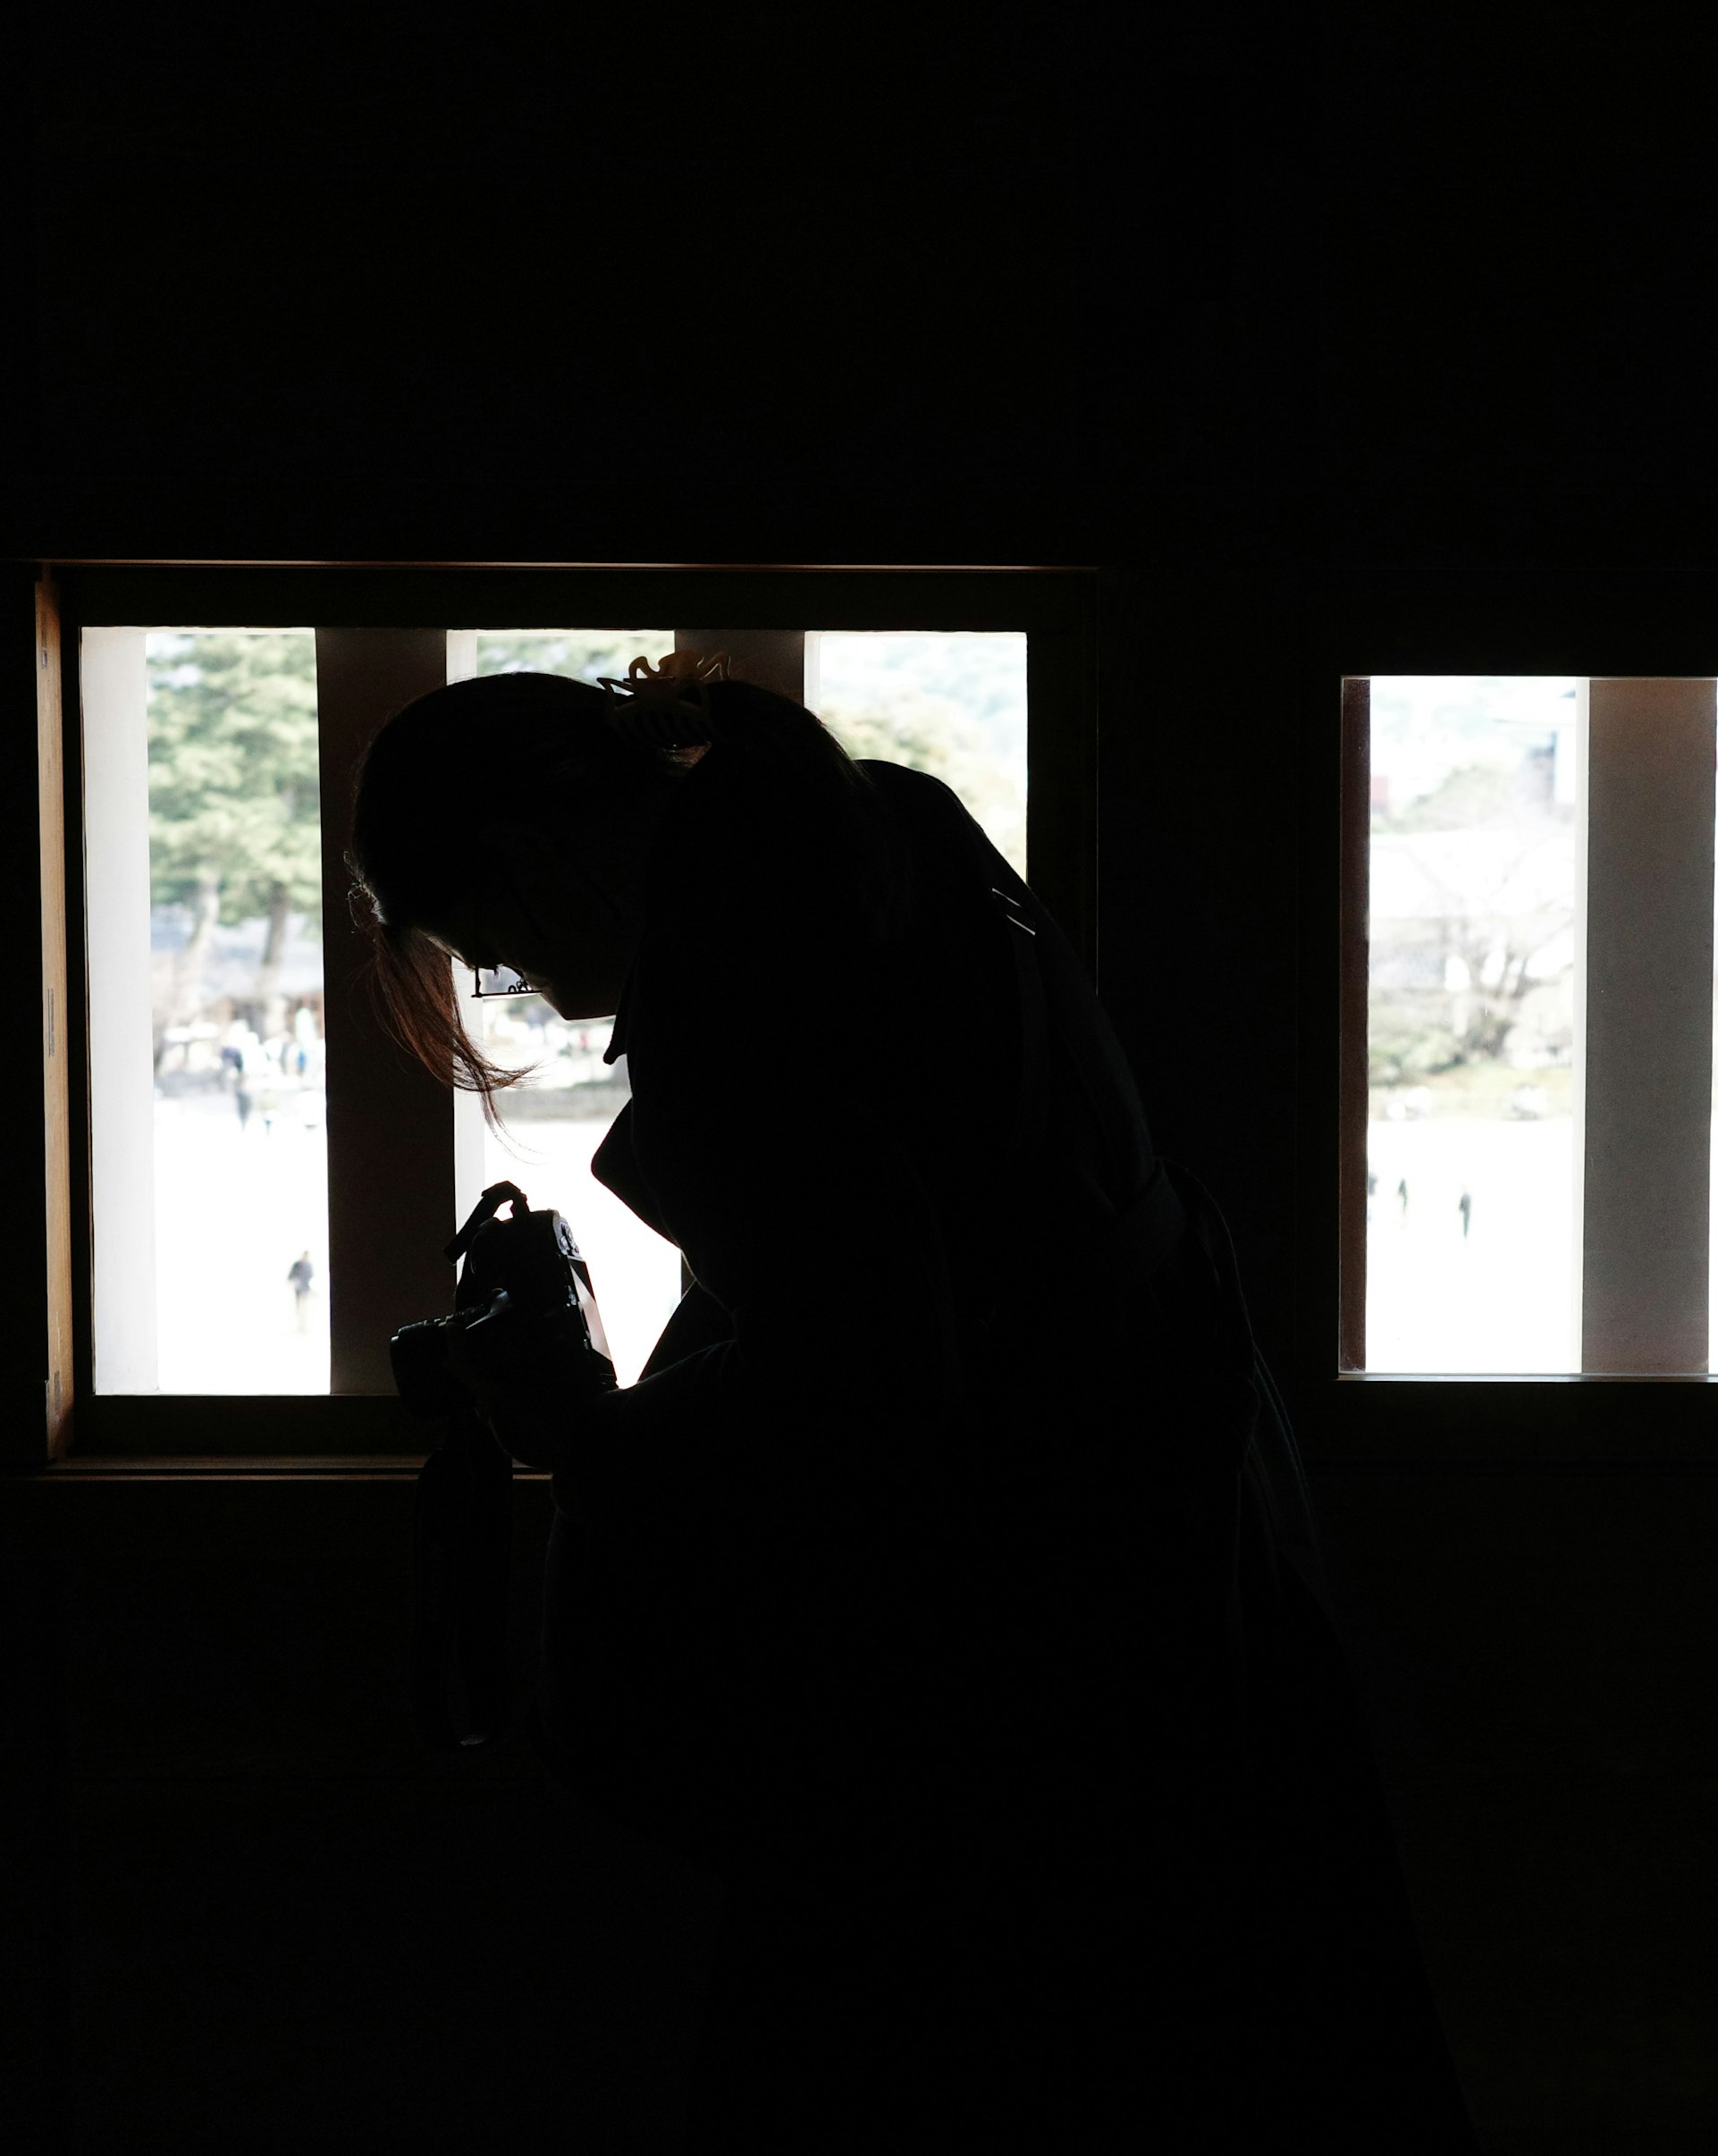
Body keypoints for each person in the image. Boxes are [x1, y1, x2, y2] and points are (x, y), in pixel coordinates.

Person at [343, 656, 1473, 2150]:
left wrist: (582, 1429)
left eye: (491, 947)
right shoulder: (878, 827)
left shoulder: (737, 972)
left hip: (1011, 1626)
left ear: (535, 861)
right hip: (1172, 1505)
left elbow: (858, 1378)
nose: (523, 988)